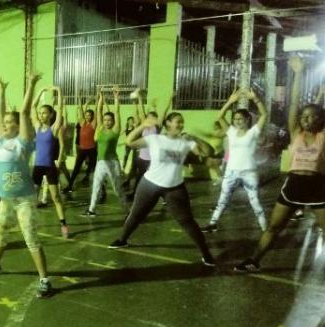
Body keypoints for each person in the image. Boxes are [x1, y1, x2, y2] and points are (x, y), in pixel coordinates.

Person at [235, 57, 325, 272]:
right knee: (274, 227)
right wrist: (298, 74)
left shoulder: (323, 136)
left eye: (313, 117)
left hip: (318, 187)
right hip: (294, 184)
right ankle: (254, 260)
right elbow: (294, 104)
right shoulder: (296, 133)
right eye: (304, 117)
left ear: (321, 119)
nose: (307, 119)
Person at [0, 73, 53, 299]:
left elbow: (26, 112)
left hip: (24, 199)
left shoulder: (23, 143)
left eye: (12, 122)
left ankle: (45, 279)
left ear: (20, 126)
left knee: (30, 238)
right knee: (0, 232)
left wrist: (31, 85)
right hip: (6, 199)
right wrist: (1, 90)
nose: (7, 124)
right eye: (5, 122)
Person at [108, 113, 216, 267]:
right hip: (150, 184)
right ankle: (122, 240)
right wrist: (143, 126)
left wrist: (195, 138)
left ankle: (206, 254)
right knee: (136, 215)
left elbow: (208, 152)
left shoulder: (185, 142)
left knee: (187, 221)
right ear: (168, 124)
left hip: (174, 188)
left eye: (182, 122)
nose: (180, 125)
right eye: (177, 122)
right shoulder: (155, 139)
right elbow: (129, 142)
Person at [202, 89, 269, 233]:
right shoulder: (231, 131)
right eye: (235, 119)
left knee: (255, 201)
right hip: (231, 171)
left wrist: (255, 99)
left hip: (248, 172)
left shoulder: (253, 132)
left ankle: (265, 228)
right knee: (222, 199)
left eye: (240, 119)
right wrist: (230, 101)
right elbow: (219, 116)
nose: (237, 121)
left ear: (247, 120)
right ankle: (213, 223)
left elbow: (264, 115)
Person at [81, 88, 127, 217]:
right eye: (105, 120)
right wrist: (100, 96)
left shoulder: (115, 130)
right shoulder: (100, 128)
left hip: (112, 163)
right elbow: (99, 110)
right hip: (101, 162)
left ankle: (127, 210)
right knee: (96, 186)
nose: (107, 122)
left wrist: (116, 97)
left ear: (113, 122)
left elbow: (117, 112)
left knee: (117, 189)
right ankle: (91, 210)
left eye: (109, 120)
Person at [31, 86, 69, 238]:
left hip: (50, 167)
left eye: (44, 112)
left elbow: (60, 109)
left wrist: (58, 91)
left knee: (55, 197)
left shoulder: (54, 129)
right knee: (33, 197)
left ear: (50, 114)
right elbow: (32, 106)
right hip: (37, 167)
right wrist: (40, 91)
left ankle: (64, 224)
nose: (41, 115)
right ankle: (30, 222)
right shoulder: (37, 127)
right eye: (40, 113)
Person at [63, 95, 97, 193]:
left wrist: (99, 98)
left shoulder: (93, 124)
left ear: (92, 116)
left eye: (89, 115)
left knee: (94, 169)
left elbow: (98, 111)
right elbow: (80, 111)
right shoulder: (82, 123)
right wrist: (79, 99)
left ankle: (100, 189)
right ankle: (70, 185)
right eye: (86, 115)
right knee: (76, 168)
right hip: (82, 149)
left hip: (91, 149)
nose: (87, 117)